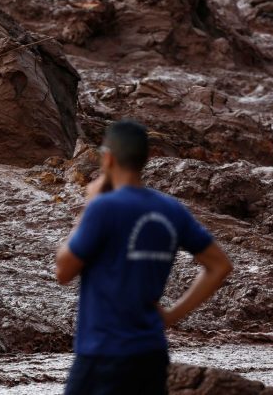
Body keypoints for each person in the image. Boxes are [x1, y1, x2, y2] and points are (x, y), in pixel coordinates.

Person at [55, 120, 233, 395]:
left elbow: (64, 271)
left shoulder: (104, 207)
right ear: (145, 160)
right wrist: (173, 315)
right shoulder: (172, 210)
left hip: (102, 353)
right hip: (151, 354)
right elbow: (220, 266)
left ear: (108, 158)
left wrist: (90, 205)